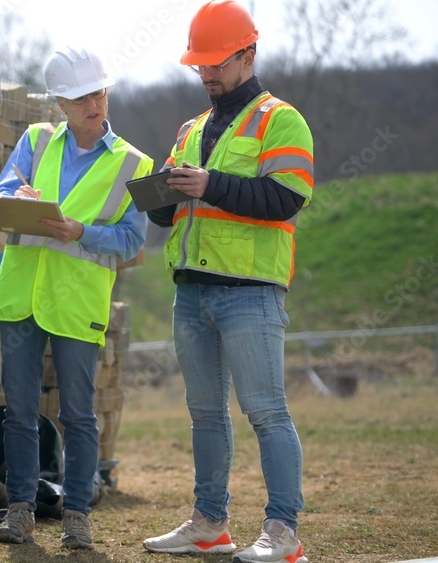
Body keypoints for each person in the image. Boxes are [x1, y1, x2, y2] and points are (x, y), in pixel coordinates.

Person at [140, 2, 313, 563]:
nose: (207, 74)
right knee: (205, 413)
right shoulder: (190, 129)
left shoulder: (280, 119)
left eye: (217, 62)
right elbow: (169, 216)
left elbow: (285, 198)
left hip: (251, 293)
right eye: (201, 65)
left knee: (266, 411)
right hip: (190, 291)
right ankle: (210, 524)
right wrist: (160, 195)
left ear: (248, 54)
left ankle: (283, 533)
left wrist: (209, 184)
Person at [0, 46, 154, 550]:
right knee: (18, 411)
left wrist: (80, 231)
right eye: (81, 97)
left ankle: (77, 515)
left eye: (99, 92)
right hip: (21, 295)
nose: (94, 104)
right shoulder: (35, 141)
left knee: (78, 414)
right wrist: (18, 198)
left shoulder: (135, 163)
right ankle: (19, 514)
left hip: (77, 302)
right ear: (60, 102)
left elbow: (131, 240)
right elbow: (3, 190)